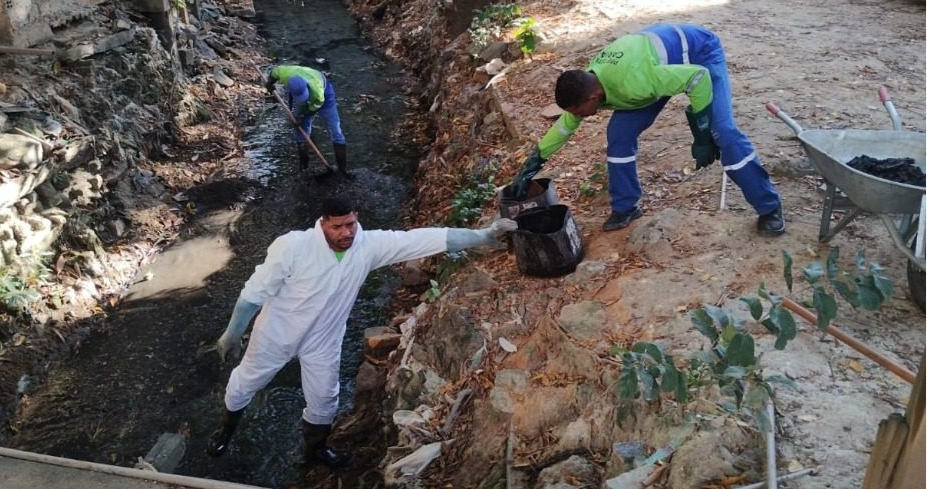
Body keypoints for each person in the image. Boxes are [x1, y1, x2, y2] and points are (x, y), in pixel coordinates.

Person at [207, 197, 517, 467]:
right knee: (245, 383)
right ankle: (225, 431)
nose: (347, 233)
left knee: (325, 399)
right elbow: (251, 296)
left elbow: (424, 238)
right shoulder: (292, 246)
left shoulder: (366, 245)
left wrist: (483, 236)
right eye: (338, 227)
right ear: (322, 225)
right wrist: (230, 337)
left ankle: (316, 450)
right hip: (276, 335)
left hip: (323, 339)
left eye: (352, 224)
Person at [509, 24, 784, 236]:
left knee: (722, 132)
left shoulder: (635, 82)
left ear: (592, 97)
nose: (579, 118)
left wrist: (702, 133)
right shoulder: (591, 83)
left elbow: (696, 78)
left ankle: (769, 207)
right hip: (656, 68)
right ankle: (626, 207)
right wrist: (532, 165)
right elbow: (564, 128)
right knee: (619, 134)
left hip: (698, 55)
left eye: (580, 112)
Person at [267, 64, 353, 178]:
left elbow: (314, 106)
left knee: (335, 128)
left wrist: (302, 117)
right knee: (300, 129)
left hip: (324, 96)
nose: (303, 99)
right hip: (305, 94)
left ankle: (342, 169)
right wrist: (270, 83)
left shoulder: (317, 90)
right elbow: (274, 72)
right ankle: (303, 168)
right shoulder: (285, 73)